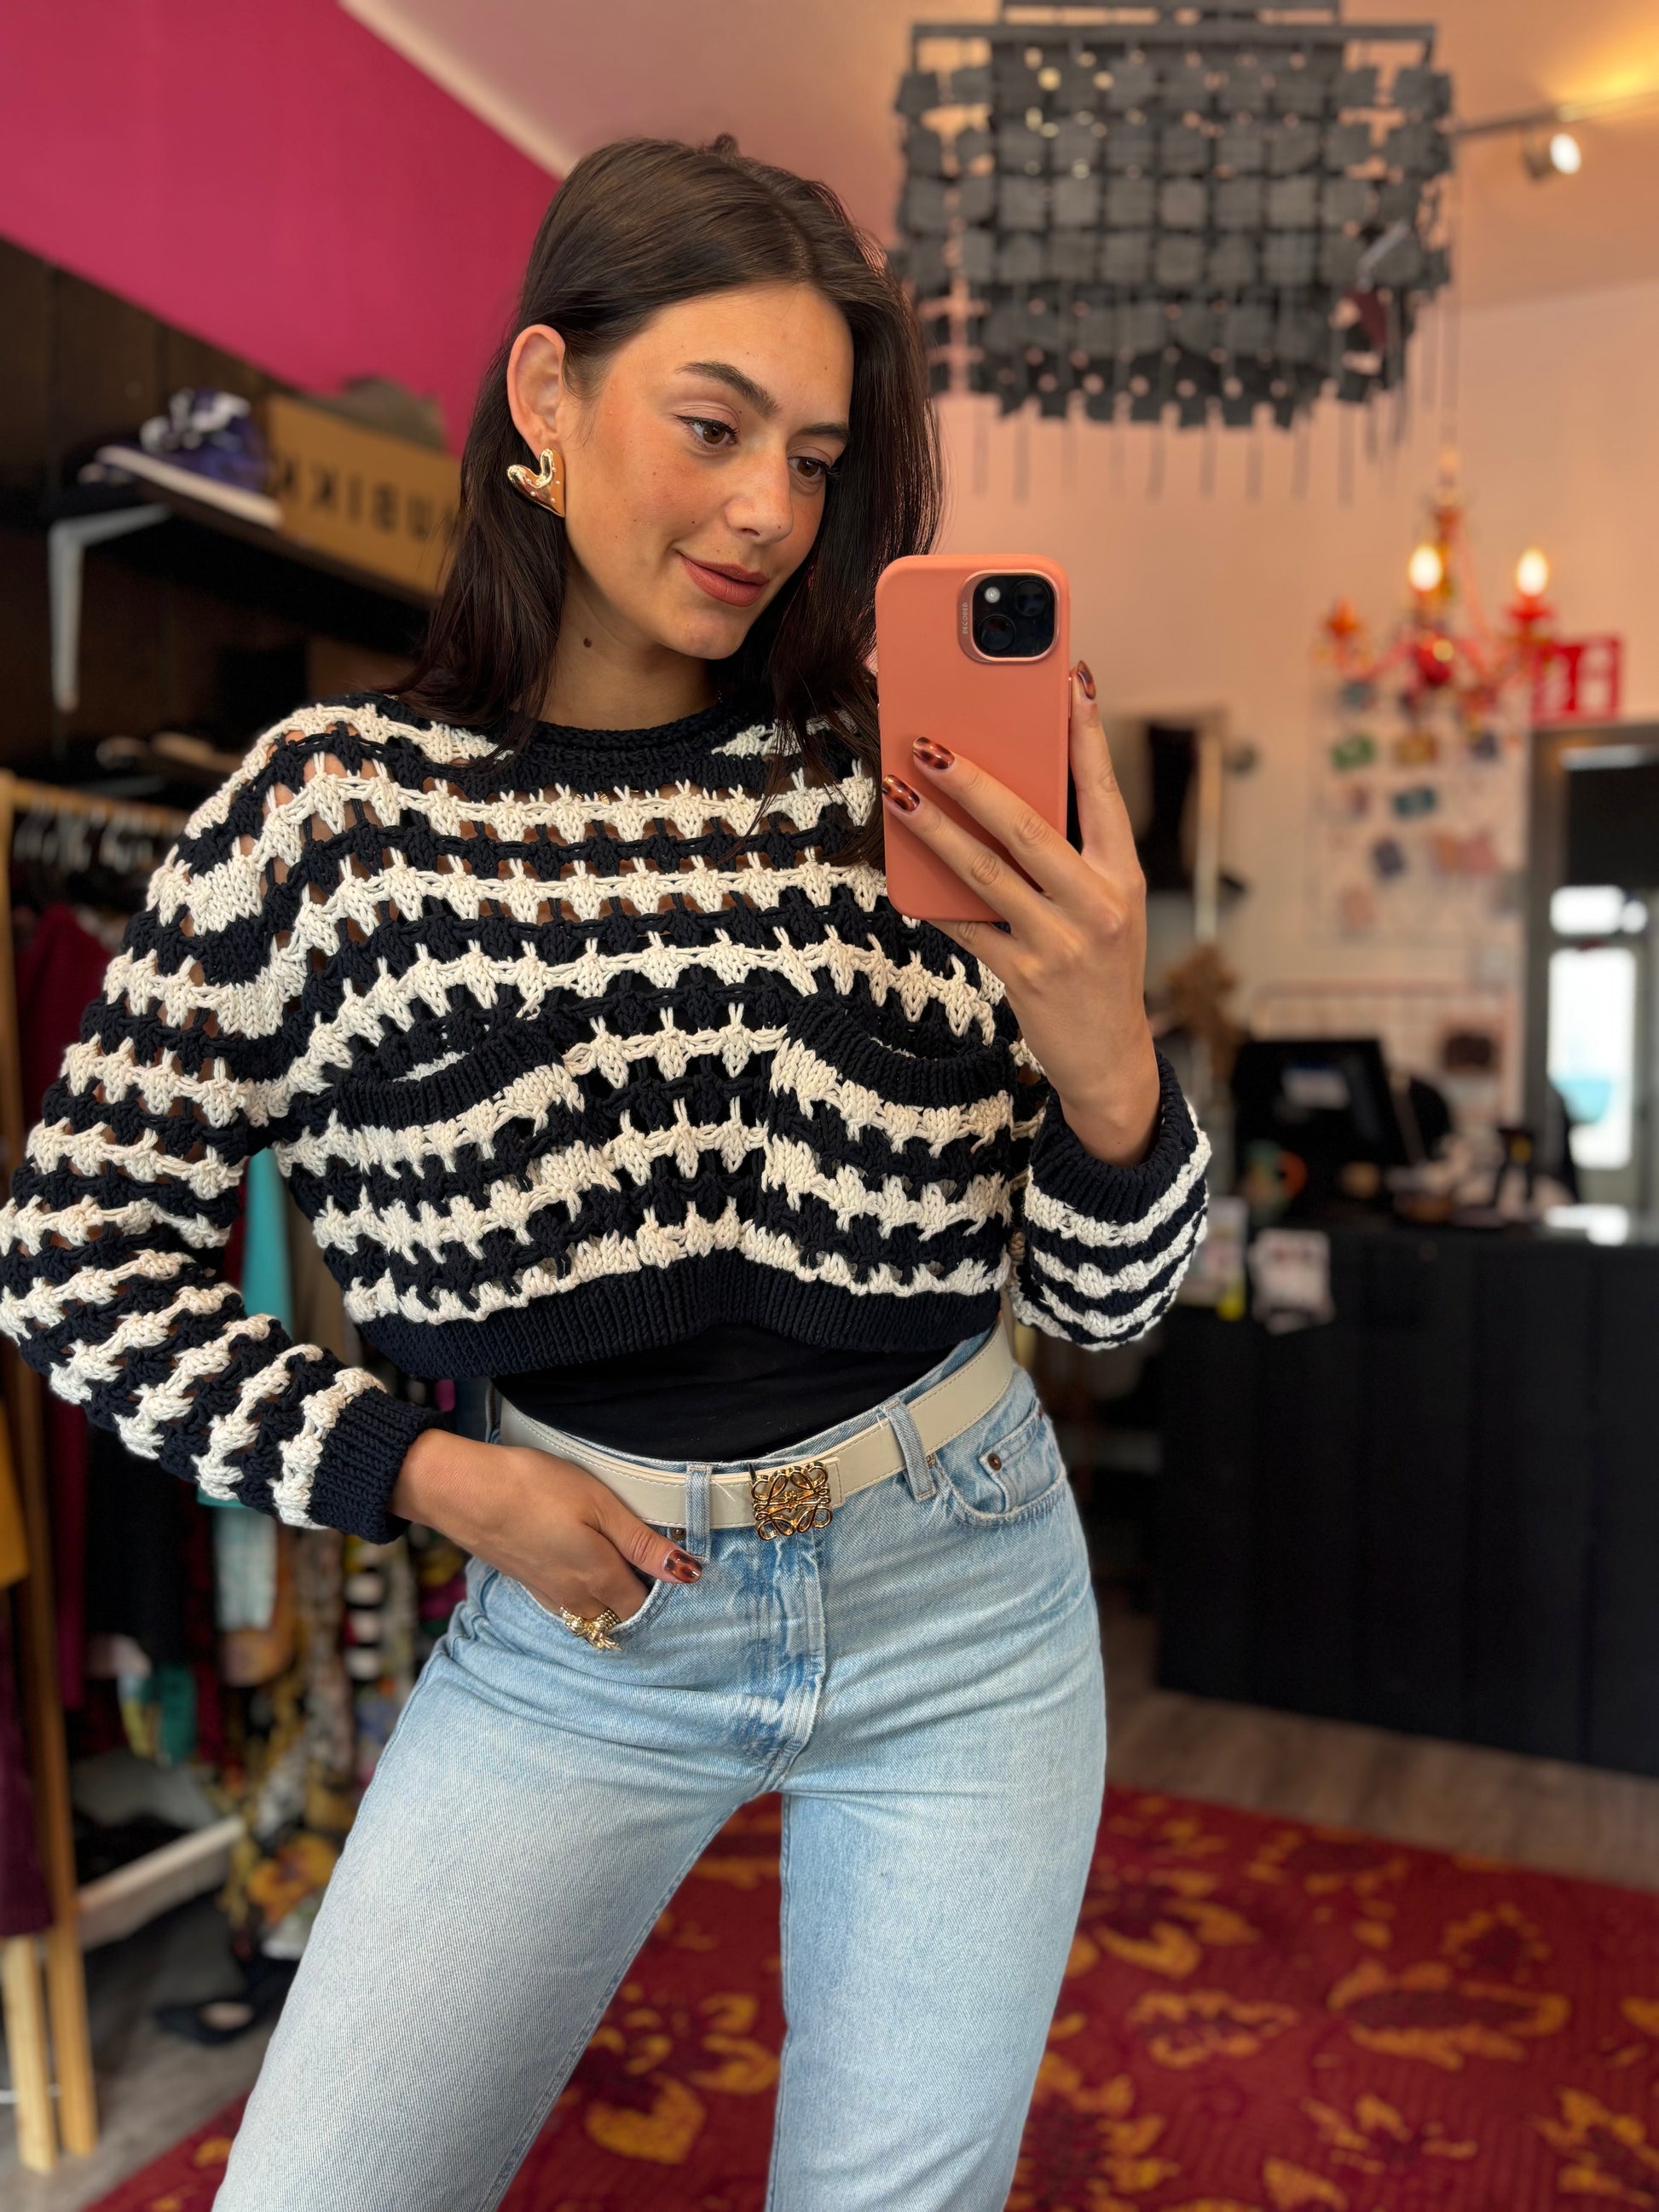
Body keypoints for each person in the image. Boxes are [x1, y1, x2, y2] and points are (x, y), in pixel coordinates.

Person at [0, 136, 1209, 2211]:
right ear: (546, 395)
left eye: (814, 459)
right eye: (711, 427)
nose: (767, 512)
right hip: (586, 1613)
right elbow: (67, 1256)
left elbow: (1109, 1302)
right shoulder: (330, 817)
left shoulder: (898, 785)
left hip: (968, 1586)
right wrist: (423, 1470)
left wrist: (1110, 1058)